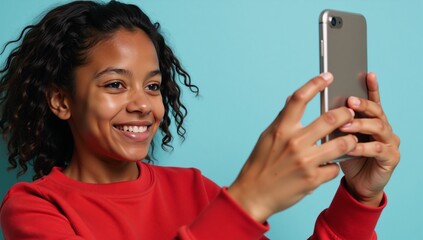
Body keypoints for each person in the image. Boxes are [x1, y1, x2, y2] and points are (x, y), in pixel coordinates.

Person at [0, 1, 400, 239]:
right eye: (116, 85)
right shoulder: (35, 208)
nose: (143, 105)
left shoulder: (195, 189)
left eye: (153, 87)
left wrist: (359, 200)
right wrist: (248, 201)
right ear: (61, 100)